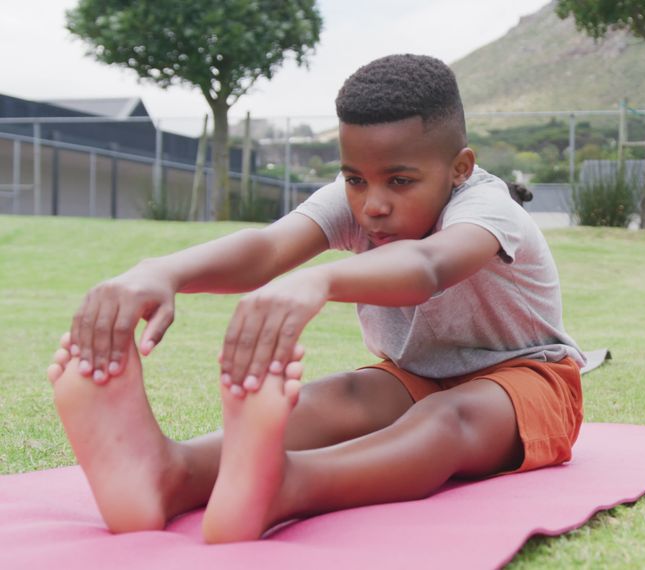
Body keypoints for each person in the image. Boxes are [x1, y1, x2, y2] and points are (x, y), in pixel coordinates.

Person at [46, 54, 585, 543]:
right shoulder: (358, 198)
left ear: (459, 168)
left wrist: (319, 281)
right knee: (336, 396)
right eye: (355, 179)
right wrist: (162, 271)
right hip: (414, 376)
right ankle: (171, 474)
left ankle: (286, 485)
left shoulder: (487, 206)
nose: (372, 205)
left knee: (449, 418)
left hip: (529, 379)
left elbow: (429, 266)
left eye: (400, 181)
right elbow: (265, 249)